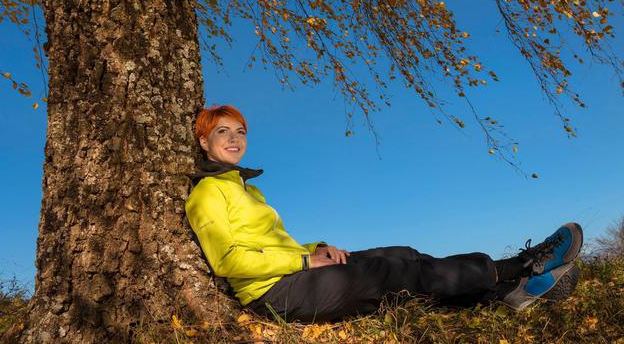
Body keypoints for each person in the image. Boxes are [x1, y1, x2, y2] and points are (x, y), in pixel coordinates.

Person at [185, 105, 583, 323]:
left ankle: (507, 296)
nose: (235, 139)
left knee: (401, 255)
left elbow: (272, 244)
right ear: (204, 140)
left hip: (293, 273)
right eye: (223, 131)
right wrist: (306, 259)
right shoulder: (206, 194)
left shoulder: (247, 190)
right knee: (390, 277)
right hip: (273, 294)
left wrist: (316, 247)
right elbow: (227, 260)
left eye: (240, 131)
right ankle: (521, 266)